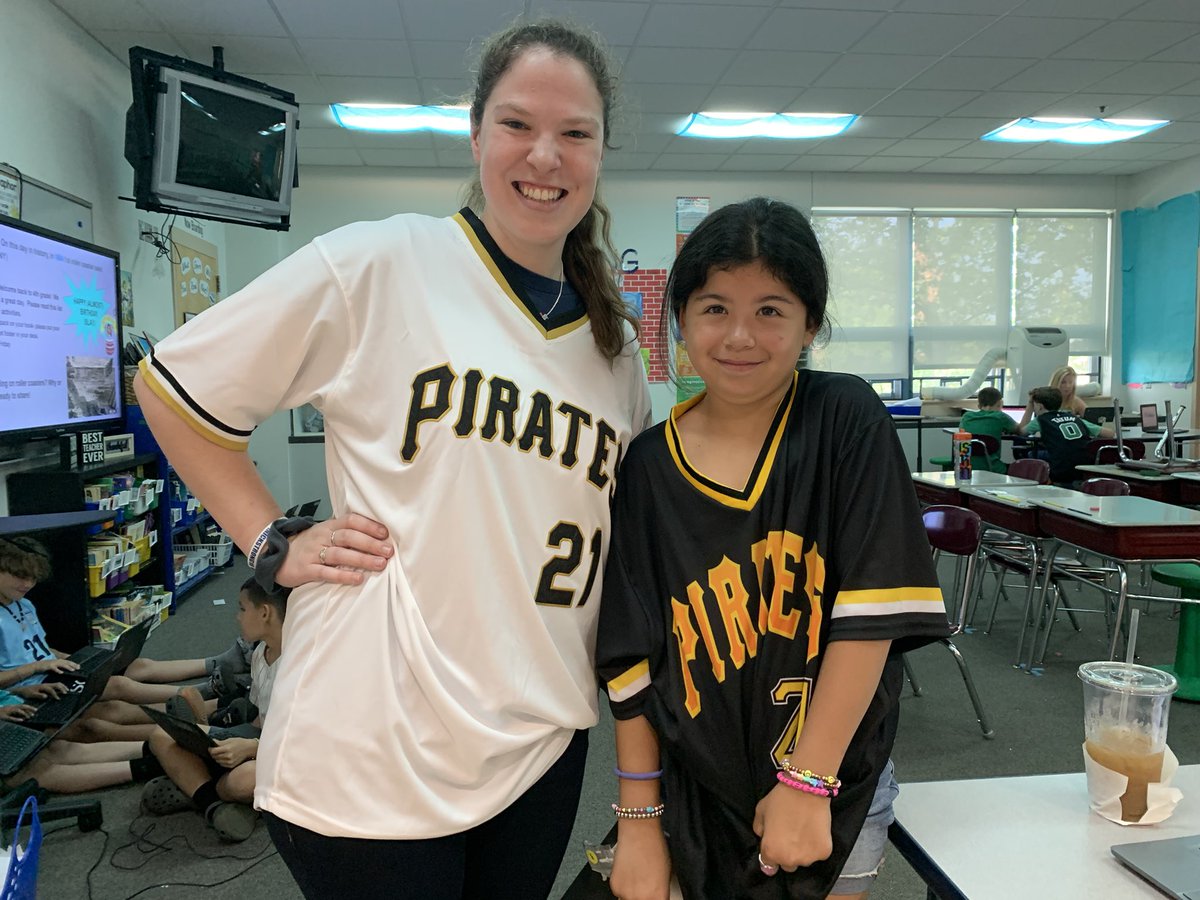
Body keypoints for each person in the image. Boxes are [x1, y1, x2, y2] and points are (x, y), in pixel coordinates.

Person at [133, 18, 651, 899]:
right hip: (373, 742)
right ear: (477, 131)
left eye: (576, 134)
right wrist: (271, 542)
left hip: (541, 741)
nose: (545, 155)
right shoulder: (380, 262)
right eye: (519, 124)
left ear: (603, 153)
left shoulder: (616, 353)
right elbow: (173, 387)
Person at [596, 197, 951, 900]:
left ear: (810, 324)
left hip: (833, 788)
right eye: (715, 307)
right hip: (693, 798)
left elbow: (869, 618)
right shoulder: (645, 470)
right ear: (682, 321)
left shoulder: (844, 419)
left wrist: (807, 782)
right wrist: (638, 821)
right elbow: (631, 662)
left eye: (771, 309)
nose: (739, 336)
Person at [141, 578, 285, 843]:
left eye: (242, 609)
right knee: (160, 736)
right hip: (257, 737)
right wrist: (227, 736)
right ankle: (216, 805)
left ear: (264, 612)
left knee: (242, 780)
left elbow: (308, 743)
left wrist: (251, 748)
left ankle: (197, 790)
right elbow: (258, 718)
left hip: (288, 753)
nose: (238, 617)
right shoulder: (260, 654)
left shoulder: (300, 666)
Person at [0, 537, 185, 707]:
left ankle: (207, 679)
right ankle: (191, 696)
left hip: (51, 674)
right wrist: (37, 667)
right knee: (117, 687)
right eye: (20, 576)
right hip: (34, 685)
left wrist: (76, 660)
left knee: (132, 666)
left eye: (33, 578)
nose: (28, 584)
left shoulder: (24, 604)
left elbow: (39, 649)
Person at [1026, 386, 1102, 487]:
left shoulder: (1040, 420)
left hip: (1060, 466)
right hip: (1083, 464)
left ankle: (1041, 483)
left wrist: (1029, 407)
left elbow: (1020, 430)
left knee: (1031, 454)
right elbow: (1109, 433)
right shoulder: (1075, 418)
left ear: (1039, 407)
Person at [958, 387, 1018, 473]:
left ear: (979, 405)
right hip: (992, 468)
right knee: (1017, 470)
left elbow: (962, 432)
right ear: (999, 403)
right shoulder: (1000, 416)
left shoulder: (966, 417)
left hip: (967, 468)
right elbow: (1021, 430)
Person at [1018, 364, 1086, 431]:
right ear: (1056, 382)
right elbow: (1022, 429)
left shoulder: (1075, 401)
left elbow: (1091, 419)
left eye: (1071, 382)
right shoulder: (1042, 398)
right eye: (1063, 382)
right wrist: (1031, 403)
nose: (1068, 386)